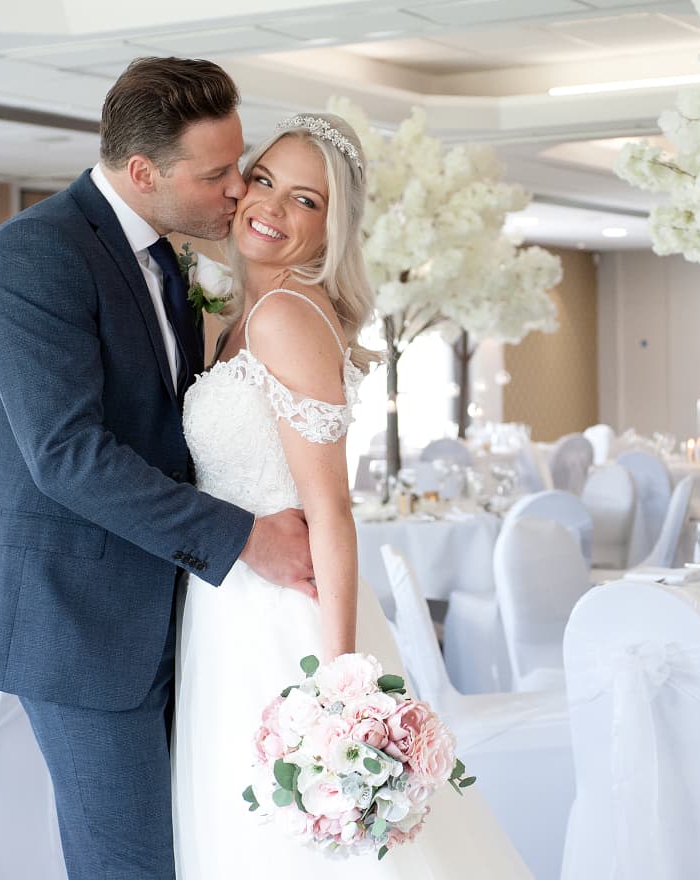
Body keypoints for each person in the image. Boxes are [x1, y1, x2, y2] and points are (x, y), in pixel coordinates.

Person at [0, 57, 316, 879]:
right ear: (142, 172)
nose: (239, 191)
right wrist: (244, 537)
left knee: (194, 847)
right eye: (217, 174)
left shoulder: (166, 260)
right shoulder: (34, 257)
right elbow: (67, 457)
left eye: (238, 164)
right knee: (132, 867)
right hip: (76, 622)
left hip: (168, 604)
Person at [172, 113, 530, 878]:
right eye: (264, 181)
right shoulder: (238, 317)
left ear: (331, 229)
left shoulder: (286, 318)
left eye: (305, 200)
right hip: (227, 606)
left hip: (281, 621)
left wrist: (341, 688)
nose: (270, 207)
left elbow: (331, 510)